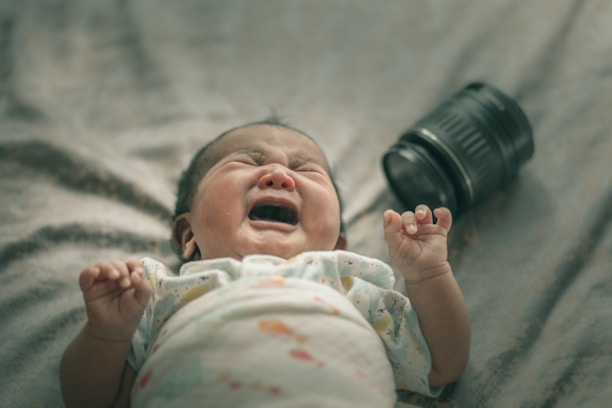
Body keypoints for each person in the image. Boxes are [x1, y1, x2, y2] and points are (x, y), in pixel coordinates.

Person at [60, 117, 470, 407]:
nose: (278, 174)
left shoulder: (349, 288)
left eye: (305, 169)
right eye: (247, 162)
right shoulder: (154, 294)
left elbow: (441, 363)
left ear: (337, 247)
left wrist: (429, 274)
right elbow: (93, 399)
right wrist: (107, 335)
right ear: (189, 235)